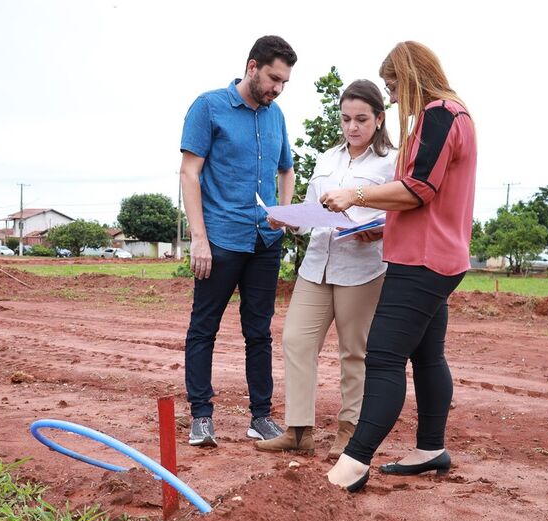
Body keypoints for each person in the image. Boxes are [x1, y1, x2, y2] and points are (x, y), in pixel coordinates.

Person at [320, 41, 477, 491]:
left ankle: (354, 462)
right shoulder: (456, 115)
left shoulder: (439, 114)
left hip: (422, 260)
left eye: (392, 86)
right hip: (438, 254)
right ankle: (430, 448)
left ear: (409, 78)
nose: (390, 96)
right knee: (428, 356)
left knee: (384, 358)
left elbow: (419, 189)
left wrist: (357, 195)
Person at [255, 80, 397, 459]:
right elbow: (309, 212)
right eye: (346, 119)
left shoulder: (391, 163)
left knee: (355, 353)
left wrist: (379, 230)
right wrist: (285, 219)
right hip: (316, 265)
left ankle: (349, 433)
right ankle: (299, 431)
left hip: (362, 269)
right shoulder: (327, 158)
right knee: (296, 341)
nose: (352, 127)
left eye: (361, 119)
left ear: (380, 119)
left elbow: (401, 211)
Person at [179, 35, 297, 448]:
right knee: (203, 328)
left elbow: (286, 169)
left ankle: (260, 418)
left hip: (265, 241)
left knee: (259, 331)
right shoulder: (208, 107)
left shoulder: (276, 115)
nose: (277, 88)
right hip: (222, 239)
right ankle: (201, 417)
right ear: (252, 67)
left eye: (283, 82)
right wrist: (199, 239)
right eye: (272, 78)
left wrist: (284, 211)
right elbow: (189, 173)